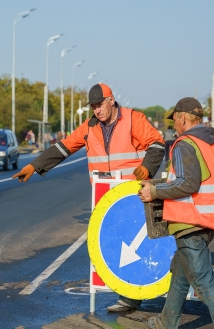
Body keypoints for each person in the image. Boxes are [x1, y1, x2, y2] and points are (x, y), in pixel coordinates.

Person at [12, 83, 165, 312]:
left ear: (111, 100)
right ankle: (128, 293)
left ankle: (137, 293)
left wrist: (147, 169)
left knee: (139, 244)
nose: (97, 110)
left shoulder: (133, 119)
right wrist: (35, 166)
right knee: (114, 244)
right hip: (105, 198)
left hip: (132, 196)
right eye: (93, 106)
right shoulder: (89, 127)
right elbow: (64, 147)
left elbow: (157, 144)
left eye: (99, 105)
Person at [138, 97, 214, 329]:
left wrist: (154, 191)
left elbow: (188, 183)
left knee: (203, 281)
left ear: (184, 118)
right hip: (212, 221)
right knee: (180, 269)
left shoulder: (184, 144)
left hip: (190, 221)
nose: (174, 126)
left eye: (175, 120)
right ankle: (167, 321)